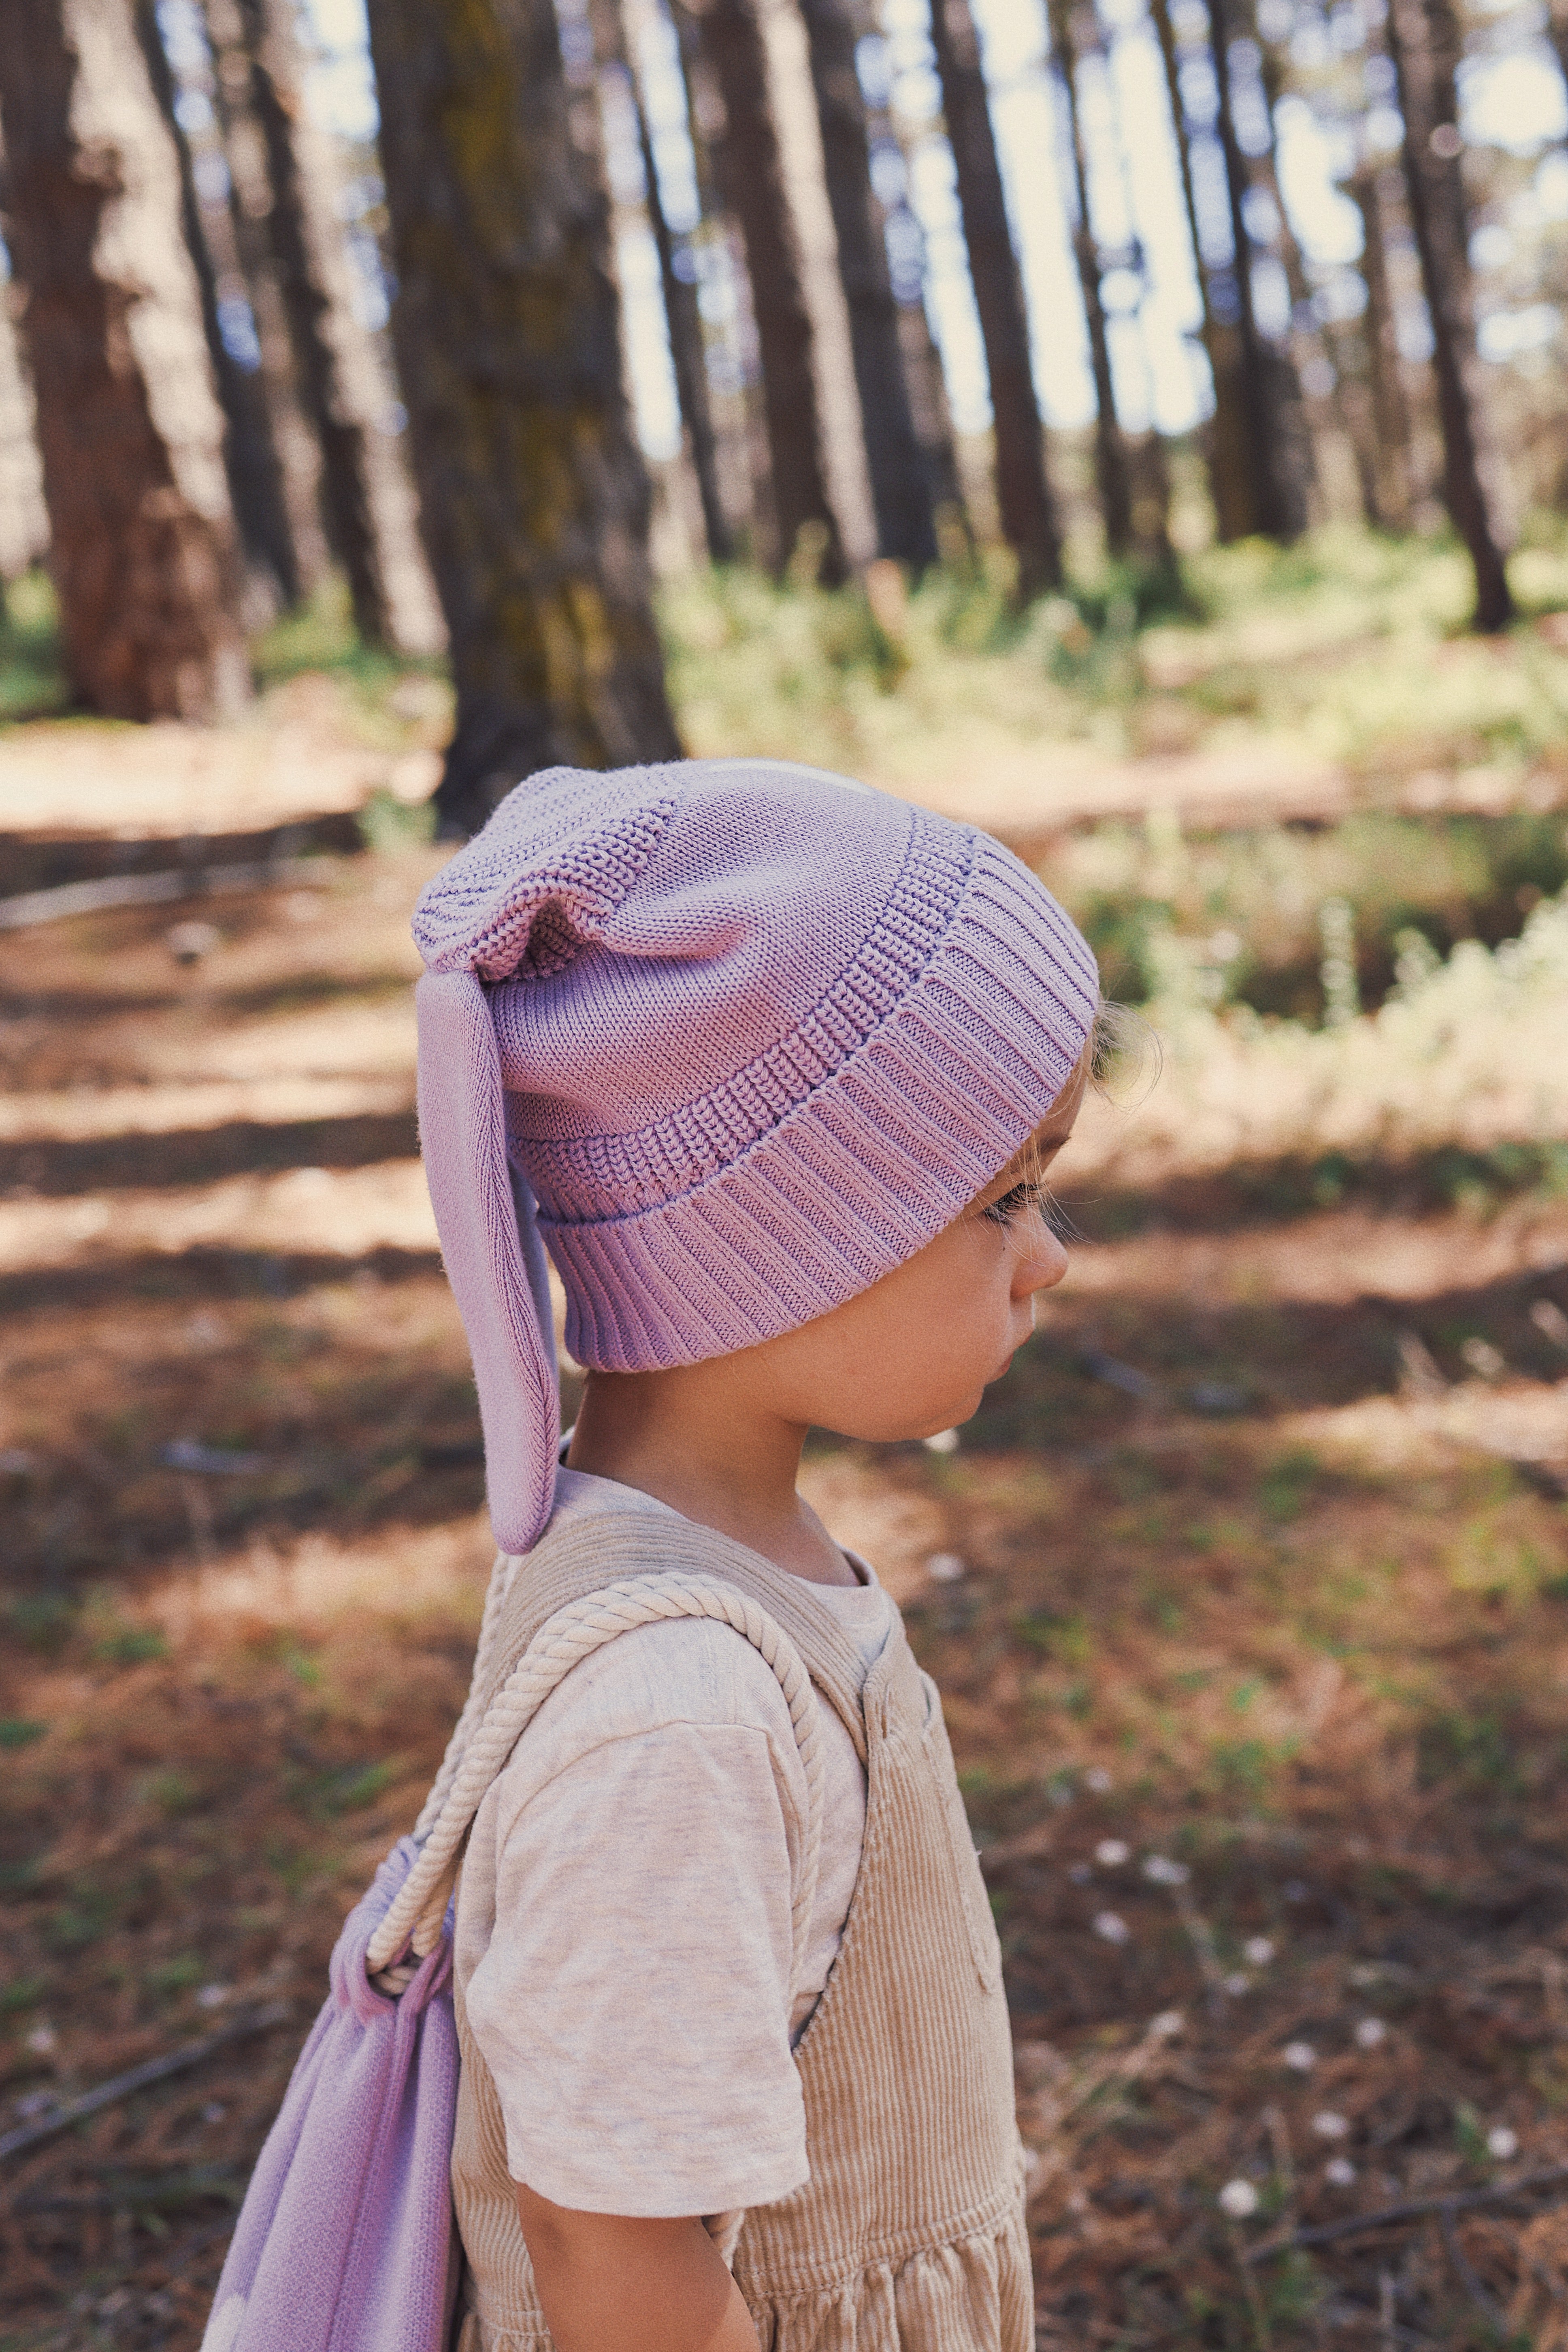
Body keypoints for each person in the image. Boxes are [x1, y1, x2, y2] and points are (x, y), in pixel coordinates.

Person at [410, 756, 1100, 2352]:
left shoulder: (738, 1580)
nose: (1050, 1260)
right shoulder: (674, 1710)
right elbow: (617, 2268)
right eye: (1005, 1196)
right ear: (781, 1238)